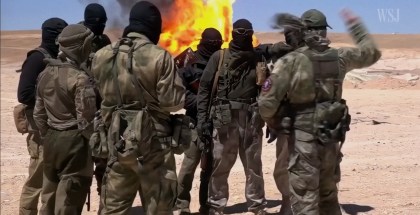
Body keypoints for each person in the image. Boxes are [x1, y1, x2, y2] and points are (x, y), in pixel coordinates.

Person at [258, 9, 381, 215]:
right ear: (324, 31)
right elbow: (372, 53)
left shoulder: (290, 61)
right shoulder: (341, 57)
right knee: (328, 197)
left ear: (303, 31)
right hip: (330, 139)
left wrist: (275, 123)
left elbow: (266, 104)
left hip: (302, 141)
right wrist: (355, 25)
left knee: (305, 201)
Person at [92, 1, 185, 214]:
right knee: (160, 208)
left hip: (118, 143)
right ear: (153, 27)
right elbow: (173, 103)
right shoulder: (159, 56)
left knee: (113, 208)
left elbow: (99, 95)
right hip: (155, 148)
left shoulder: (102, 55)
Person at [196, 19, 268, 215]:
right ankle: (216, 205)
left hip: (251, 118)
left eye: (248, 32)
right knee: (220, 164)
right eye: (240, 31)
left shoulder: (258, 58)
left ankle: (257, 204)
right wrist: (202, 120)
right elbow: (204, 90)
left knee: (254, 164)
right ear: (233, 33)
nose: (243, 35)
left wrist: (271, 118)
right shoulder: (219, 57)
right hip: (224, 118)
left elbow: (267, 91)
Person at [33, 24, 97, 214]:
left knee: (49, 198)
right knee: (69, 199)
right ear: (80, 47)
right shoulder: (79, 79)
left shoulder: (45, 74)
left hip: (51, 141)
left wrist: (50, 134)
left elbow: (38, 114)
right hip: (74, 144)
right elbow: (86, 121)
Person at [16, 17, 68, 215]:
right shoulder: (37, 58)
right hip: (40, 132)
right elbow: (24, 94)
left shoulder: (60, 58)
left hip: (57, 130)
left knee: (53, 182)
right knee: (36, 181)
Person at [175, 28, 223, 215]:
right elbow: (179, 93)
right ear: (203, 43)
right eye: (213, 44)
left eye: (218, 44)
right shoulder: (188, 63)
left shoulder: (220, 61)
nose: (216, 47)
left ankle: (207, 205)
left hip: (216, 122)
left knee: (210, 168)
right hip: (194, 121)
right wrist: (202, 102)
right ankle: (181, 205)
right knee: (189, 166)